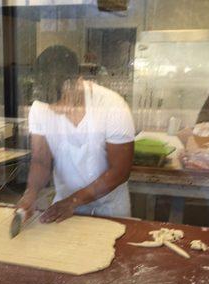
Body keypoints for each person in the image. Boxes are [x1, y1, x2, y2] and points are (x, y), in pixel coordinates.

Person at [17, 45, 135, 223]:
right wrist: (31, 194)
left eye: (62, 100)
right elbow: (41, 160)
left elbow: (120, 171)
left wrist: (74, 201)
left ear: (78, 81)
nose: (56, 109)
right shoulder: (39, 108)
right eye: (51, 105)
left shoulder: (112, 105)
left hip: (109, 207)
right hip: (64, 205)